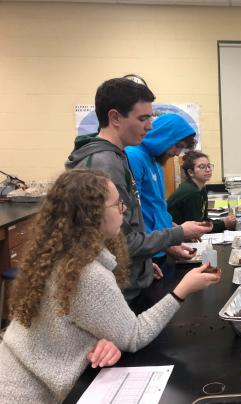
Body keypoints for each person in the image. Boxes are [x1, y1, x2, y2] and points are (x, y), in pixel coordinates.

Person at [0, 169, 221, 403]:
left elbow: (75, 320)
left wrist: (100, 339)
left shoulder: (60, 254)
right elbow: (135, 336)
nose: (124, 211)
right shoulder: (86, 274)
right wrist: (182, 289)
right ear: (93, 215)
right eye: (117, 205)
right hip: (26, 395)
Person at [65, 78, 210, 303]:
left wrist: (141, 264)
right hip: (115, 293)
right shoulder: (105, 164)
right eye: (143, 119)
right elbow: (119, 242)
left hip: (129, 275)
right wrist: (179, 233)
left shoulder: (117, 156)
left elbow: (127, 228)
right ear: (114, 118)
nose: (150, 126)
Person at [126, 113, 209, 269]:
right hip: (147, 252)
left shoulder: (157, 161)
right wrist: (170, 242)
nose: (177, 153)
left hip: (160, 247)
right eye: (177, 145)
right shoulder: (134, 156)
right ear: (163, 136)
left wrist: (176, 230)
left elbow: (156, 206)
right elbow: (136, 214)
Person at [167, 151, 236, 232]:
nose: (208, 170)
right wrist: (224, 224)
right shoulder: (192, 192)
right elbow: (198, 228)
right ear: (191, 172)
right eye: (202, 167)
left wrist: (223, 222)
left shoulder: (201, 188)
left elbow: (204, 220)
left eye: (209, 166)